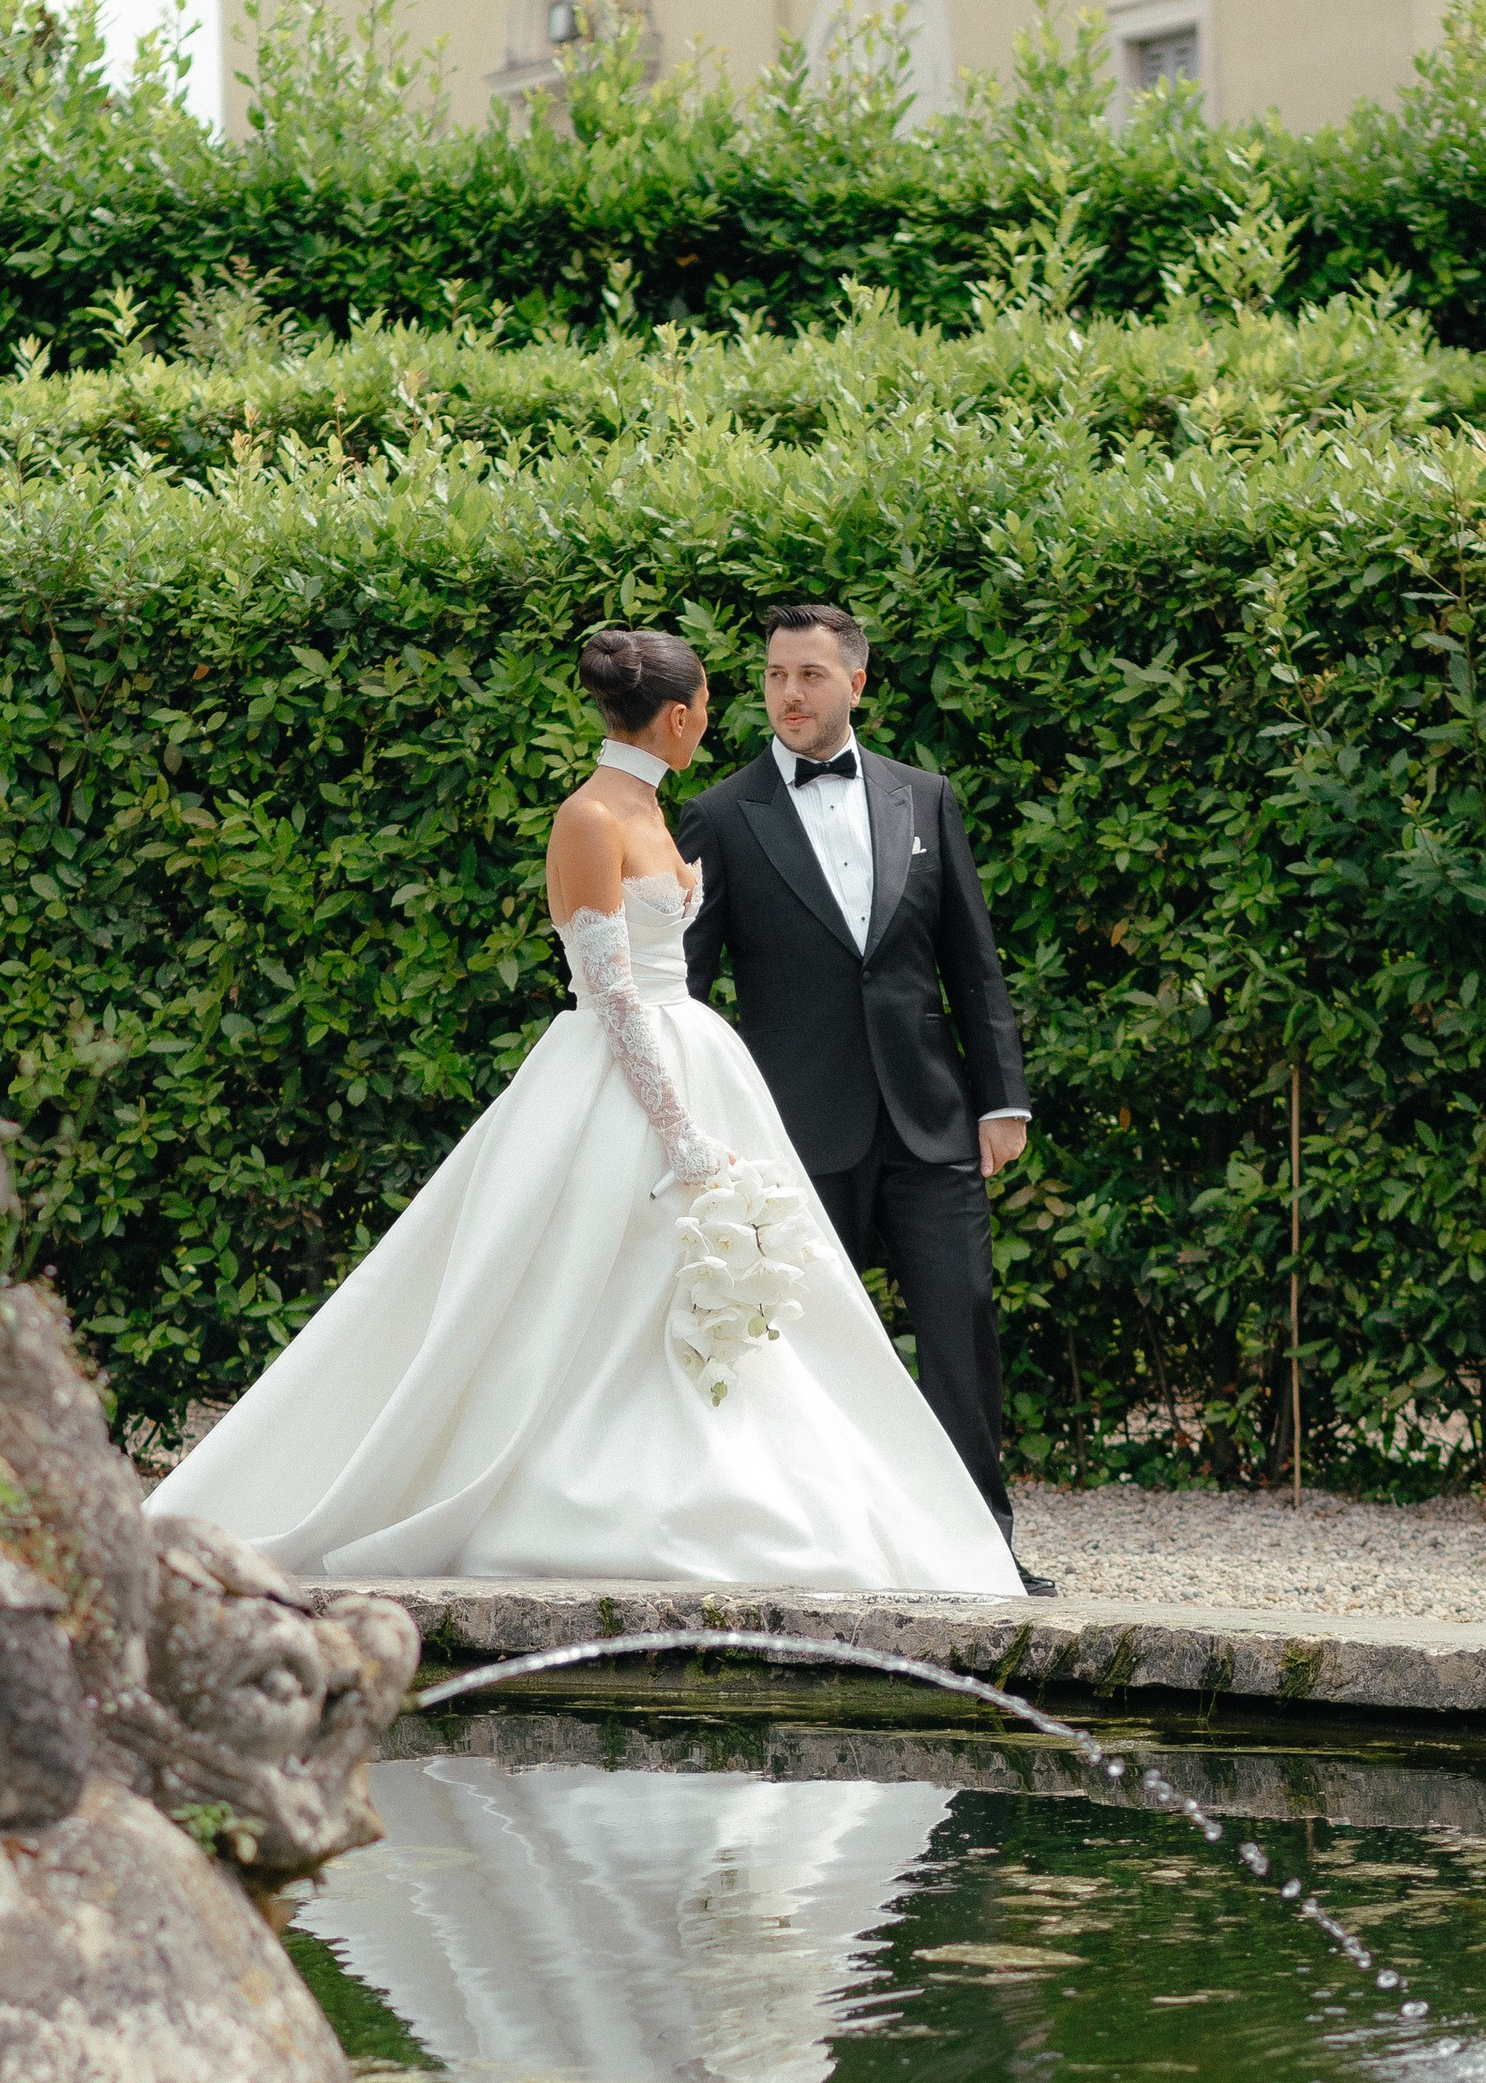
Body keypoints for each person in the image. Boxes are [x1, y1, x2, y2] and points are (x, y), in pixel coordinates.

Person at [154, 627, 1018, 1593]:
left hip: (702, 1065)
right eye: (730, 697)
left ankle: (786, 1490)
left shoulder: (658, 806)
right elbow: (608, 997)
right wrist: (681, 1133)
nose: (755, 704)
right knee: (579, 1293)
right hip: (624, 1076)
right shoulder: (593, 819)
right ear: (681, 716)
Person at [678, 602, 1043, 1586]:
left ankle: (983, 1555)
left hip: (931, 1121)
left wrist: (999, 1099)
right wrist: (702, 1127)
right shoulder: (718, 815)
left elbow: (972, 964)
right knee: (801, 1353)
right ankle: (822, 1548)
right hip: (792, 1135)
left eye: (807, 675)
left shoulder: (925, 800)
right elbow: (685, 988)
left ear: (855, 685)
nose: (787, 694)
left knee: (960, 1329)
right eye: (771, 676)